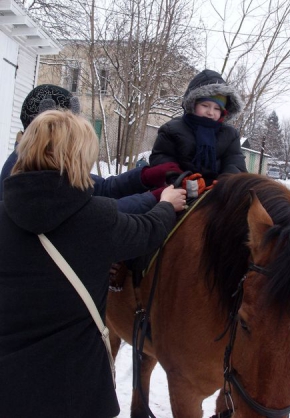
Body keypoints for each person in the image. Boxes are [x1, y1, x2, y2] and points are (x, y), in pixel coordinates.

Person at [0, 109, 187, 418]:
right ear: (78, 157)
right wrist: (166, 203)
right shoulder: (97, 219)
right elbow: (149, 231)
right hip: (76, 392)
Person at [0, 84, 182, 213]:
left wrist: (144, 176)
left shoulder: (49, 163)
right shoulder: (21, 174)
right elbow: (89, 217)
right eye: (71, 129)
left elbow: (100, 188)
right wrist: (156, 199)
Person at [149, 69, 247, 189]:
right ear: (193, 104)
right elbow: (162, 160)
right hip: (177, 190)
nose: (211, 112)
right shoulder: (171, 130)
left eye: (217, 108)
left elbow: (235, 164)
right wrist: (182, 180)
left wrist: (225, 184)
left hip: (216, 193)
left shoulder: (230, 135)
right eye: (205, 105)